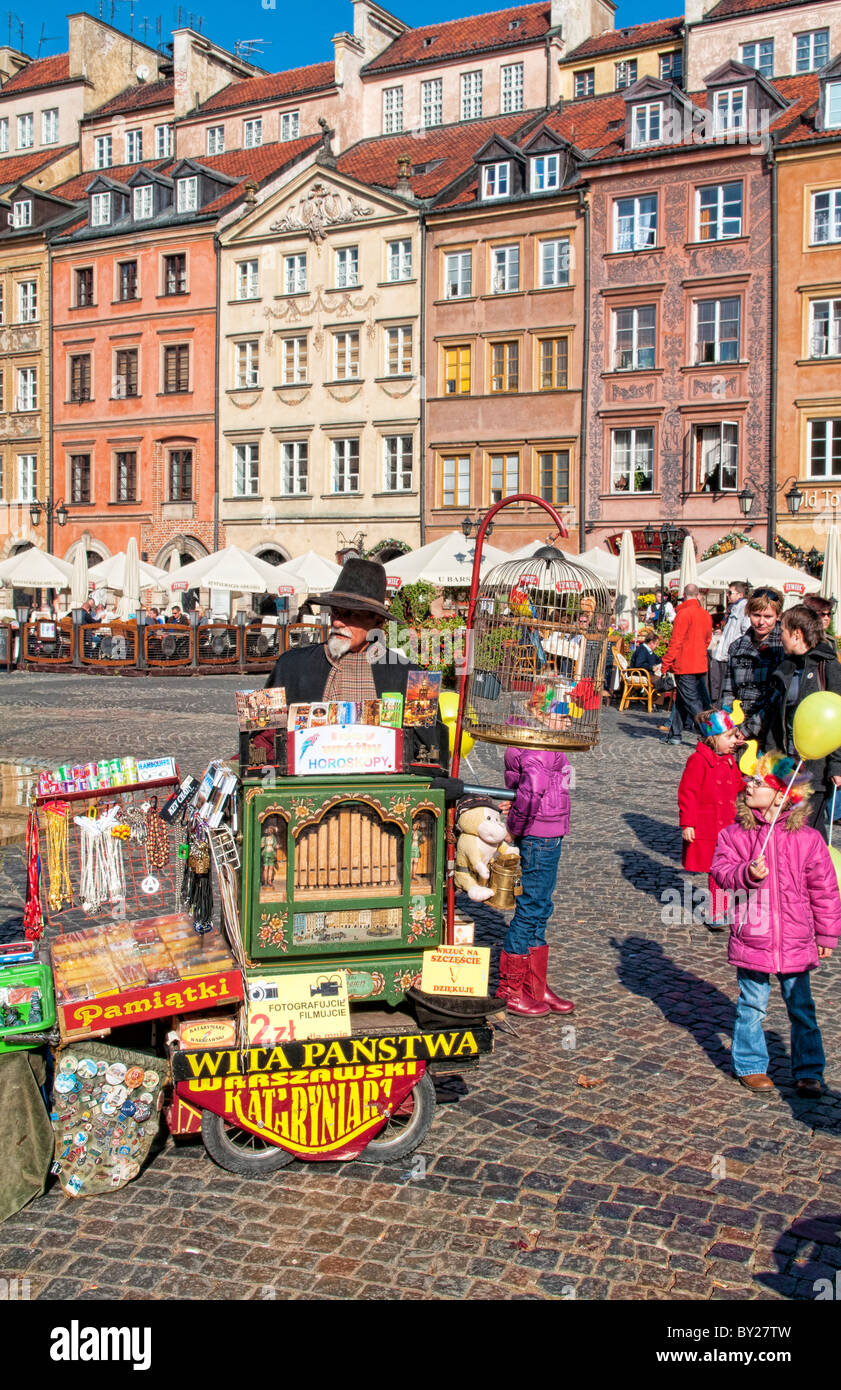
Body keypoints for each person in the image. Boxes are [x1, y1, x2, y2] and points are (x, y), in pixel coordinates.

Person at [711, 754, 840, 1096]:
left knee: (801, 1007)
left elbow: (825, 889)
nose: (748, 784)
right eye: (750, 780)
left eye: (759, 781)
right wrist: (746, 875)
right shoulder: (735, 834)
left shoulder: (809, 839)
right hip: (752, 935)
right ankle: (751, 1064)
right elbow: (722, 874)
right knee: (752, 1004)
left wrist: (827, 932)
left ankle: (809, 1069)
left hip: (796, 938)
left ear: (782, 795)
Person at [266, 557, 447, 770]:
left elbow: (432, 754)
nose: (337, 622)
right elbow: (261, 740)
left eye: (351, 614)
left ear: (377, 622)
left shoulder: (413, 676)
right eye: (336, 612)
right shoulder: (291, 666)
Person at [497, 741, 574, 1017]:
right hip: (540, 834)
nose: (568, 720)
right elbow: (530, 793)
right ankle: (511, 990)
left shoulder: (545, 745)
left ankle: (535, 986)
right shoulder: (538, 748)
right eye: (561, 710)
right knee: (531, 909)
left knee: (541, 909)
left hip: (549, 831)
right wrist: (514, 830)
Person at [766, 603, 841, 836]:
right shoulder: (786, 667)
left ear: (797, 634)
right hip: (785, 766)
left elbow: (837, 718)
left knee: (809, 833)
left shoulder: (827, 667)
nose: (780, 638)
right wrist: (770, 756)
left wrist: (837, 765)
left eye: (783, 632)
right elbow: (775, 716)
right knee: (783, 831)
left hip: (816, 770)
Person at [678, 708, 745, 929]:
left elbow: (737, 785)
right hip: (708, 827)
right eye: (729, 736)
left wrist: (753, 782)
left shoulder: (728, 760)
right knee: (716, 870)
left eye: (734, 736)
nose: (734, 741)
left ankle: (728, 908)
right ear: (712, 738)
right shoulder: (698, 760)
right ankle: (718, 912)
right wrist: (688, 823)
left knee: (729, 869)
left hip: (729, 826)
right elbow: (688, 793)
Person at [721, 587, 784, 742]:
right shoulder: (737, 647)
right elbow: (728, 690)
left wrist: (749, 728)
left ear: (778, 616)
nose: (761, 622)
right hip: (739, 726)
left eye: (768, 616)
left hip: (770, 729)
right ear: (749, 613)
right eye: (756, 615)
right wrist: (727, 722)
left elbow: (777, 697)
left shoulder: (783, 647)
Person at [659, 584, 713, 745]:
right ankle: (675, 734)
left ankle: (711, 736)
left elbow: (676, 642)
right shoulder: (705, 615)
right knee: (683, 700)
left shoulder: (683, 614)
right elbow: (708, 639)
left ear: (684, 594)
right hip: (700, 663)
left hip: (685, 664)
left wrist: (665, 663)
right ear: (697, 595)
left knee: (693, 703)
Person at [709, 582, 749, 703]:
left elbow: (744, 632)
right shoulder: (734, 608)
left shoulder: (744, 608)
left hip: (731, 656)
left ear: (740, 594)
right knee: (720, 689)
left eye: (730, 592)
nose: (727, 595)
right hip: (724, 655)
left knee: (726, 690)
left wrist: (734, 648)